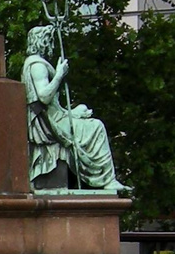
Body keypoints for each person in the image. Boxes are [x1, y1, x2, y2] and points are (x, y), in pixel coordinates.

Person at [23, 24, 125, 192]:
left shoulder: (38, 63)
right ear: (42, 42)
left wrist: (72, 112)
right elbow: (44, 96)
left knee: (84, 111)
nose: (52, 45)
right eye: (50, 41)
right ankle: (107, 179)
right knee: (96, 127)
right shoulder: (37, 65)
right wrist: (59, 75)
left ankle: (106, 179)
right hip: (50, 122)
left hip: (56, 115)